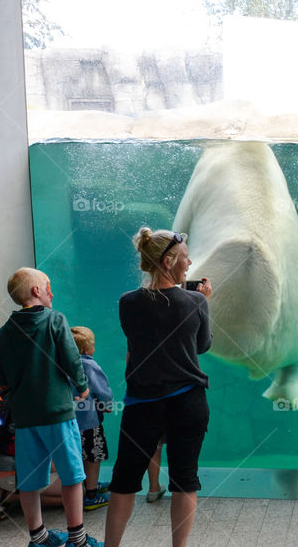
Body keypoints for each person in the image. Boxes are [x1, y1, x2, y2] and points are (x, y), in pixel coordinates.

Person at [104, 228, 213, 547]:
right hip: (188, 401)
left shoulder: (128, 303)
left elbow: (139, 341)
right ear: (168, 261)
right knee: (185, 480)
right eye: (185, 257)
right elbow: (203, 345)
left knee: (123, 481)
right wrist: (205, 304)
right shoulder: (194, 301)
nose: (190, 262)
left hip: (142, 403)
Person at [0, 267, 101, 547]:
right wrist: (82, 387)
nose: (51, 292)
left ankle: (38, 537)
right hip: (57, 413)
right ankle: (77, 539)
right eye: (48, 287)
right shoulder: (55, 320)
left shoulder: (5, 332)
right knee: (72, 476)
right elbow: (71, 357)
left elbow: (1, 377)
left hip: (24, 418)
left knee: (30, 480)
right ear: (36, 291)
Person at [70, 326, 113, 512]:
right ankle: (91, 494)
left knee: (78, 456)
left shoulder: (62, 363)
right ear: (87, 349)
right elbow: (101, 389)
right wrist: (108, 404)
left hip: (69, 422)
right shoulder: (89, 365)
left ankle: (87, 485)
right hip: (89, 422)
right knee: (94, 456)